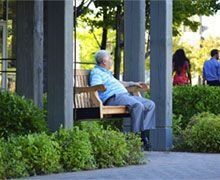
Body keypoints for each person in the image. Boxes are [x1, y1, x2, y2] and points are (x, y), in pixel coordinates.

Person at [90, 50, 155, 150]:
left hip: (125, 96)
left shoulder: (107, 74)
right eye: (110, 58)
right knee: (138, 105)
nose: (111, 60)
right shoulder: (96, 72)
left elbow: (120, 83)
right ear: (104, 61)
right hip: (113, 98)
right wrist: (106, 87)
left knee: (150, 104)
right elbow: (95, 86)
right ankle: (136, 139)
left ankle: (144, 135)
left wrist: (134, 83)